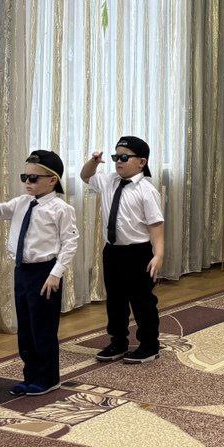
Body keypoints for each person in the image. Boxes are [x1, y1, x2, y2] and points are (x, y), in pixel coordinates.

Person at [0, 150, 79, 396]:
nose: (28, 182)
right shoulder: (21, 202)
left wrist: (56, 273)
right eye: (24, 177)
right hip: (22, 271)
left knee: (42, 327)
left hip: (45, 272)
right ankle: (31, 375)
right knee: (25, 327)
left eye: (34, 178)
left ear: (52, 180)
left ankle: (48, 378)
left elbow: (70, 243)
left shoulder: (61, 209)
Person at [80, 136, 165, 363]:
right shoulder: (109, 180)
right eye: (116, 157)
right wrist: (93, 162)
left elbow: (156, 224)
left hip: (138, 253)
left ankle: (149, 345)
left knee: (142, 301)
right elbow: (85, 176)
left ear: (142, 162)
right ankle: (118, 342)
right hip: (112, 251)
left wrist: (158, 254)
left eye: (125, 157)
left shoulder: (146, 190)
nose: (119, 161)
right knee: (115, 300)